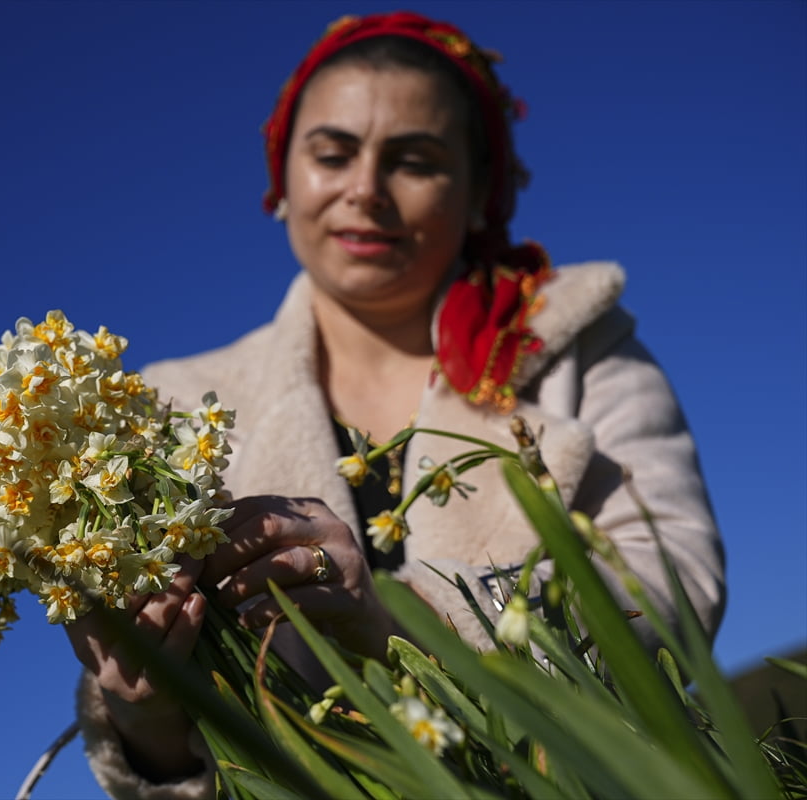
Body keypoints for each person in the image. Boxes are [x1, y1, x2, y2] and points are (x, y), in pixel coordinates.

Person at [65, 11, 726, 799]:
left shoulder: (568, 342)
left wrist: (409, 618)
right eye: (333, 153)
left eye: (413, 161)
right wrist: (144, 720)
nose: (366, 190)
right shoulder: (172, 405)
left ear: (480, 193)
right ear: (284, 180)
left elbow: (679, 577)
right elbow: (178, 714)